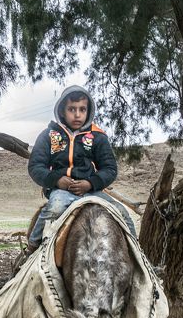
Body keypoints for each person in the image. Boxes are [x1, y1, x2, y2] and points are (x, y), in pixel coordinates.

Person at [26, 85, 136, 255]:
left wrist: (90, 183)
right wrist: (56, 180)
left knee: (121, 212)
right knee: (54, 208)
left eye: (82, 109)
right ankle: (32, 248)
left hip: (92, 191)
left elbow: (109, 168)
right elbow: (35, 166)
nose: (77, 114)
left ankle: (137, 255)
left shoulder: (97, 136)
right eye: (72, 109)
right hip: (63, 191)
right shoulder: (49, 135)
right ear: (62, 111)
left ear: (88, 111)